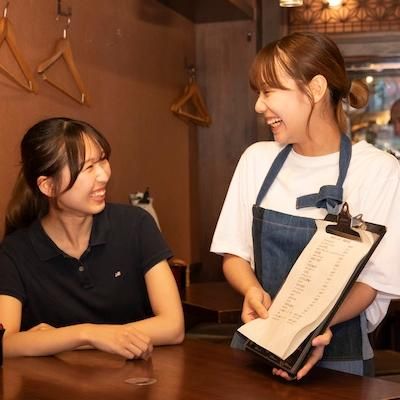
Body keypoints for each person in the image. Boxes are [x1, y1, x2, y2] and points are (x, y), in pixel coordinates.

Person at [211, 32, 400, 380]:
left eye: (269, 91)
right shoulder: (257, 160)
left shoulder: (377, 170)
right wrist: (251, 290)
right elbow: (234, 254)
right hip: (257, 345)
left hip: (340, 359)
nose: (258, 106)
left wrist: (310, 326)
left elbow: (373, 283)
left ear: (315, 89)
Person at [0, 117, 184, 359]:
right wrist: (86, 334)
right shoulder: (15, 252)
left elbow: (173, 326)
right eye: (87, 168)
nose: (103, 175)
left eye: (102, 160)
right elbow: (5, 343)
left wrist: (59, 340)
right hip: (59, 383)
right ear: (48, 186)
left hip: (137, 377)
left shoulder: (136, 225)